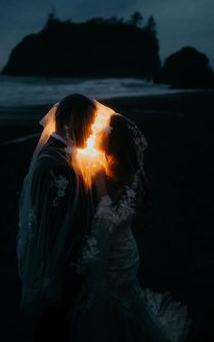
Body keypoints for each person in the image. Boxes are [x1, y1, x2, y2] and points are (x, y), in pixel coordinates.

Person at [70, 113, 192, 342]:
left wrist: (99, 188)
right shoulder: (119, 167)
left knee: (117, 303)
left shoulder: (124, 177)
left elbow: (112, 221)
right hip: (122, 247)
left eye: (103, 134)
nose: (98, 136)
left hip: (119, 254)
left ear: (113, 141)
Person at [16, 93, 97, 341]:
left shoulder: (56, 155)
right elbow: (56, 227)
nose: (92, 131)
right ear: (73, 120)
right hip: (60, 269)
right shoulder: (56, 164)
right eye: (90, 123)